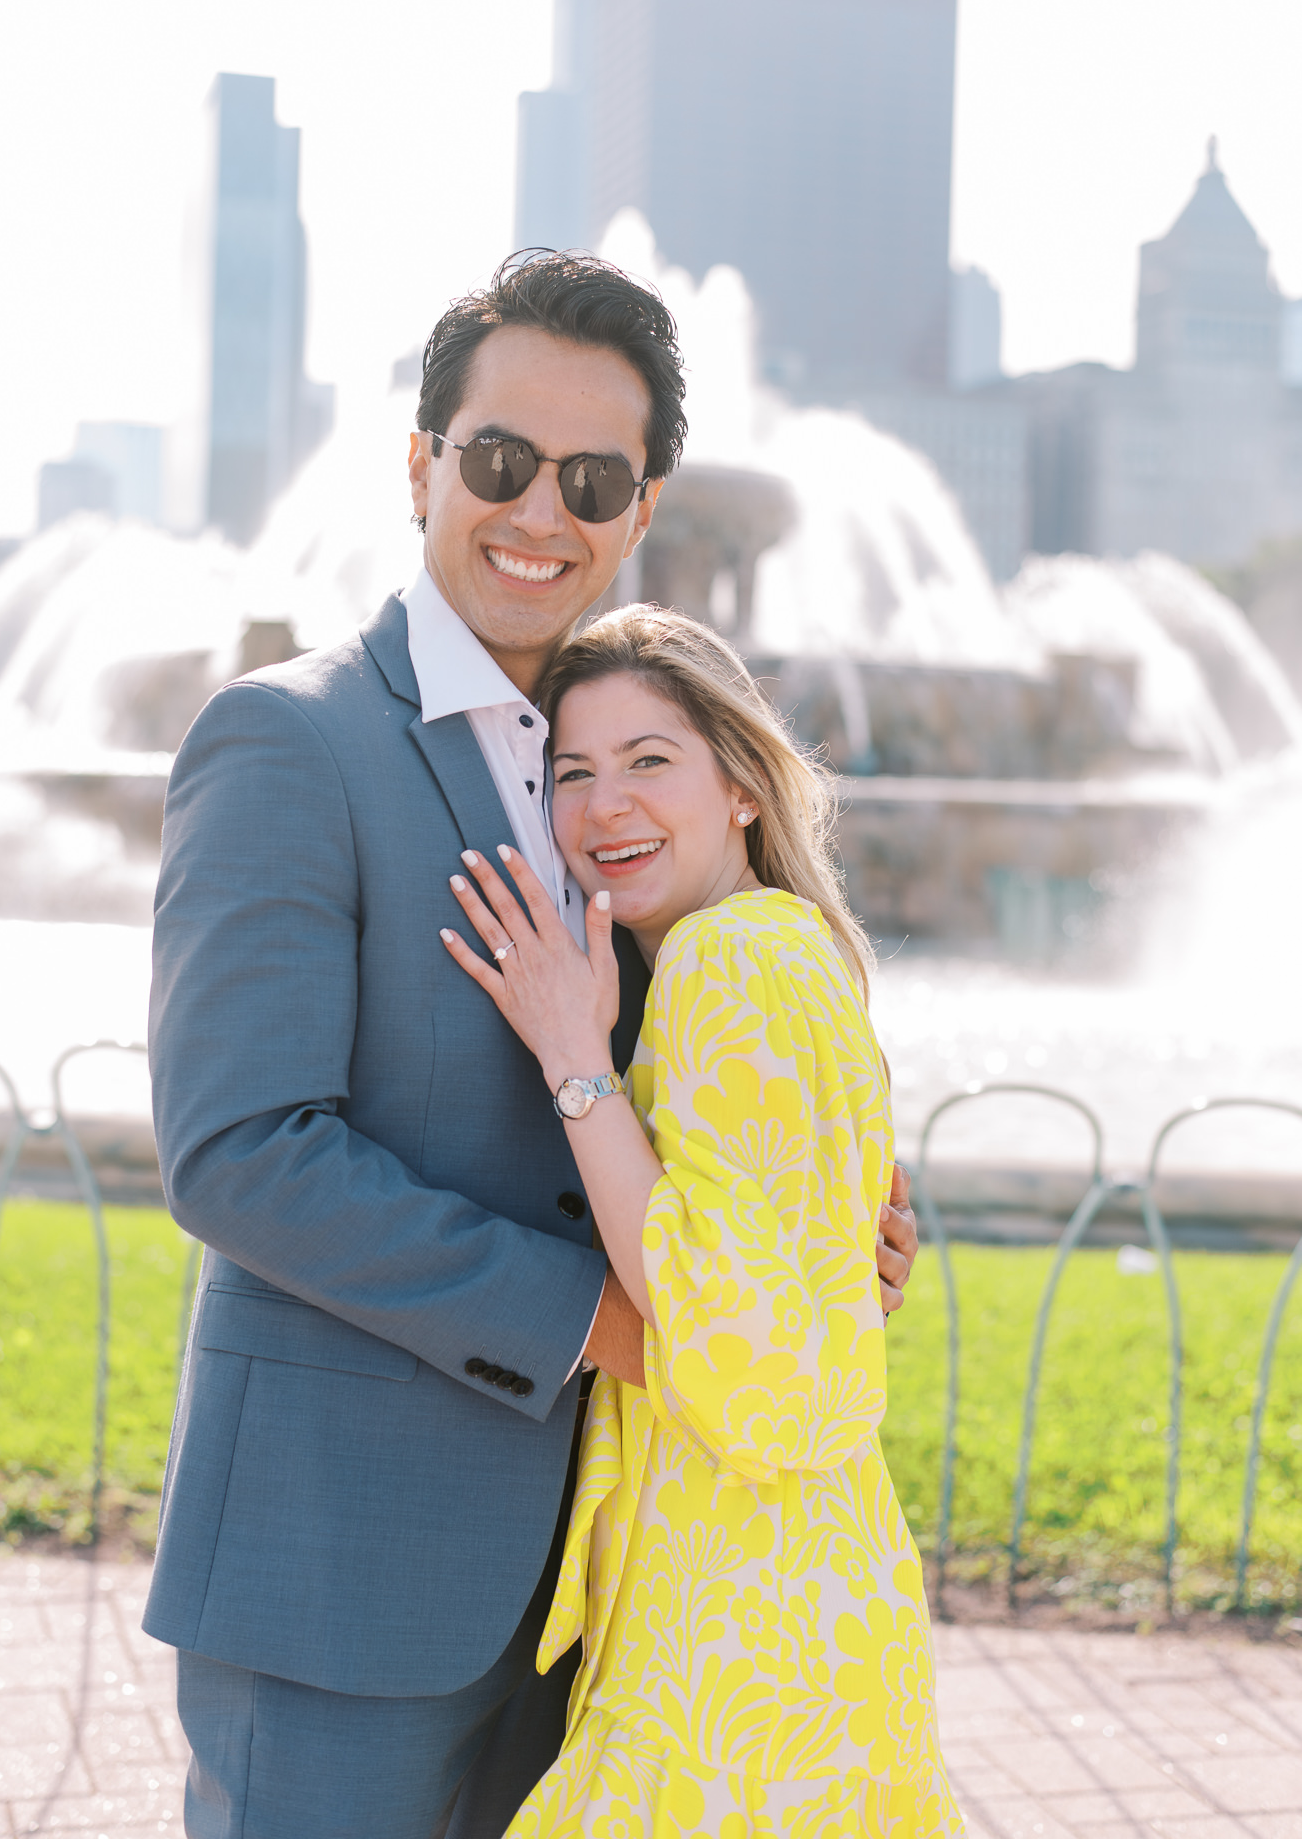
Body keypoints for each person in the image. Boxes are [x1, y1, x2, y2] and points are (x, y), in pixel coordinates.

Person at [142, 250, 920, 1839]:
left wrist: (799, 1237)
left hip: (603, 1585)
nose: (536, 511)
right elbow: (241, 1155)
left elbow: (691, 1101)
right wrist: (618, 1324)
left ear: (641, 509)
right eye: (498, 461)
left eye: (590, 477)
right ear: (423, 463)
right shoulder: (285, 743)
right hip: (344, 1572)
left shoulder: (626, 783)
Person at [441, 605, 960, 1838]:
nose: (603, 805)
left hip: (744, 1612)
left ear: (739, 783)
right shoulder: (772, 952)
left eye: (648, 760)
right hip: (786, 1590)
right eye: (571, 772)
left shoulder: (728, 964)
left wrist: (574, 1060)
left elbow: (729, 1335)